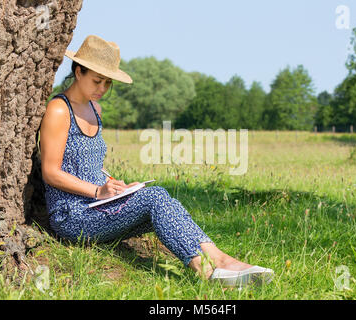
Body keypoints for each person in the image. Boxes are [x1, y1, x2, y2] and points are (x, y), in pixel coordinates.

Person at [39, 35, 274, 287]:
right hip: (73, 216)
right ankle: (208, 270)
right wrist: (97, 191)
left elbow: (89, 163)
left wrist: (115, 187)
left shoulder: (95, 109)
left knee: (158, 198)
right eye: (97, 80)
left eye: (108, 82)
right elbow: (51, 172)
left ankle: (221, 261)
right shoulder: (59, 109)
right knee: (155, 197)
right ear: (78, 71)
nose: (102, 88)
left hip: (100, 207)